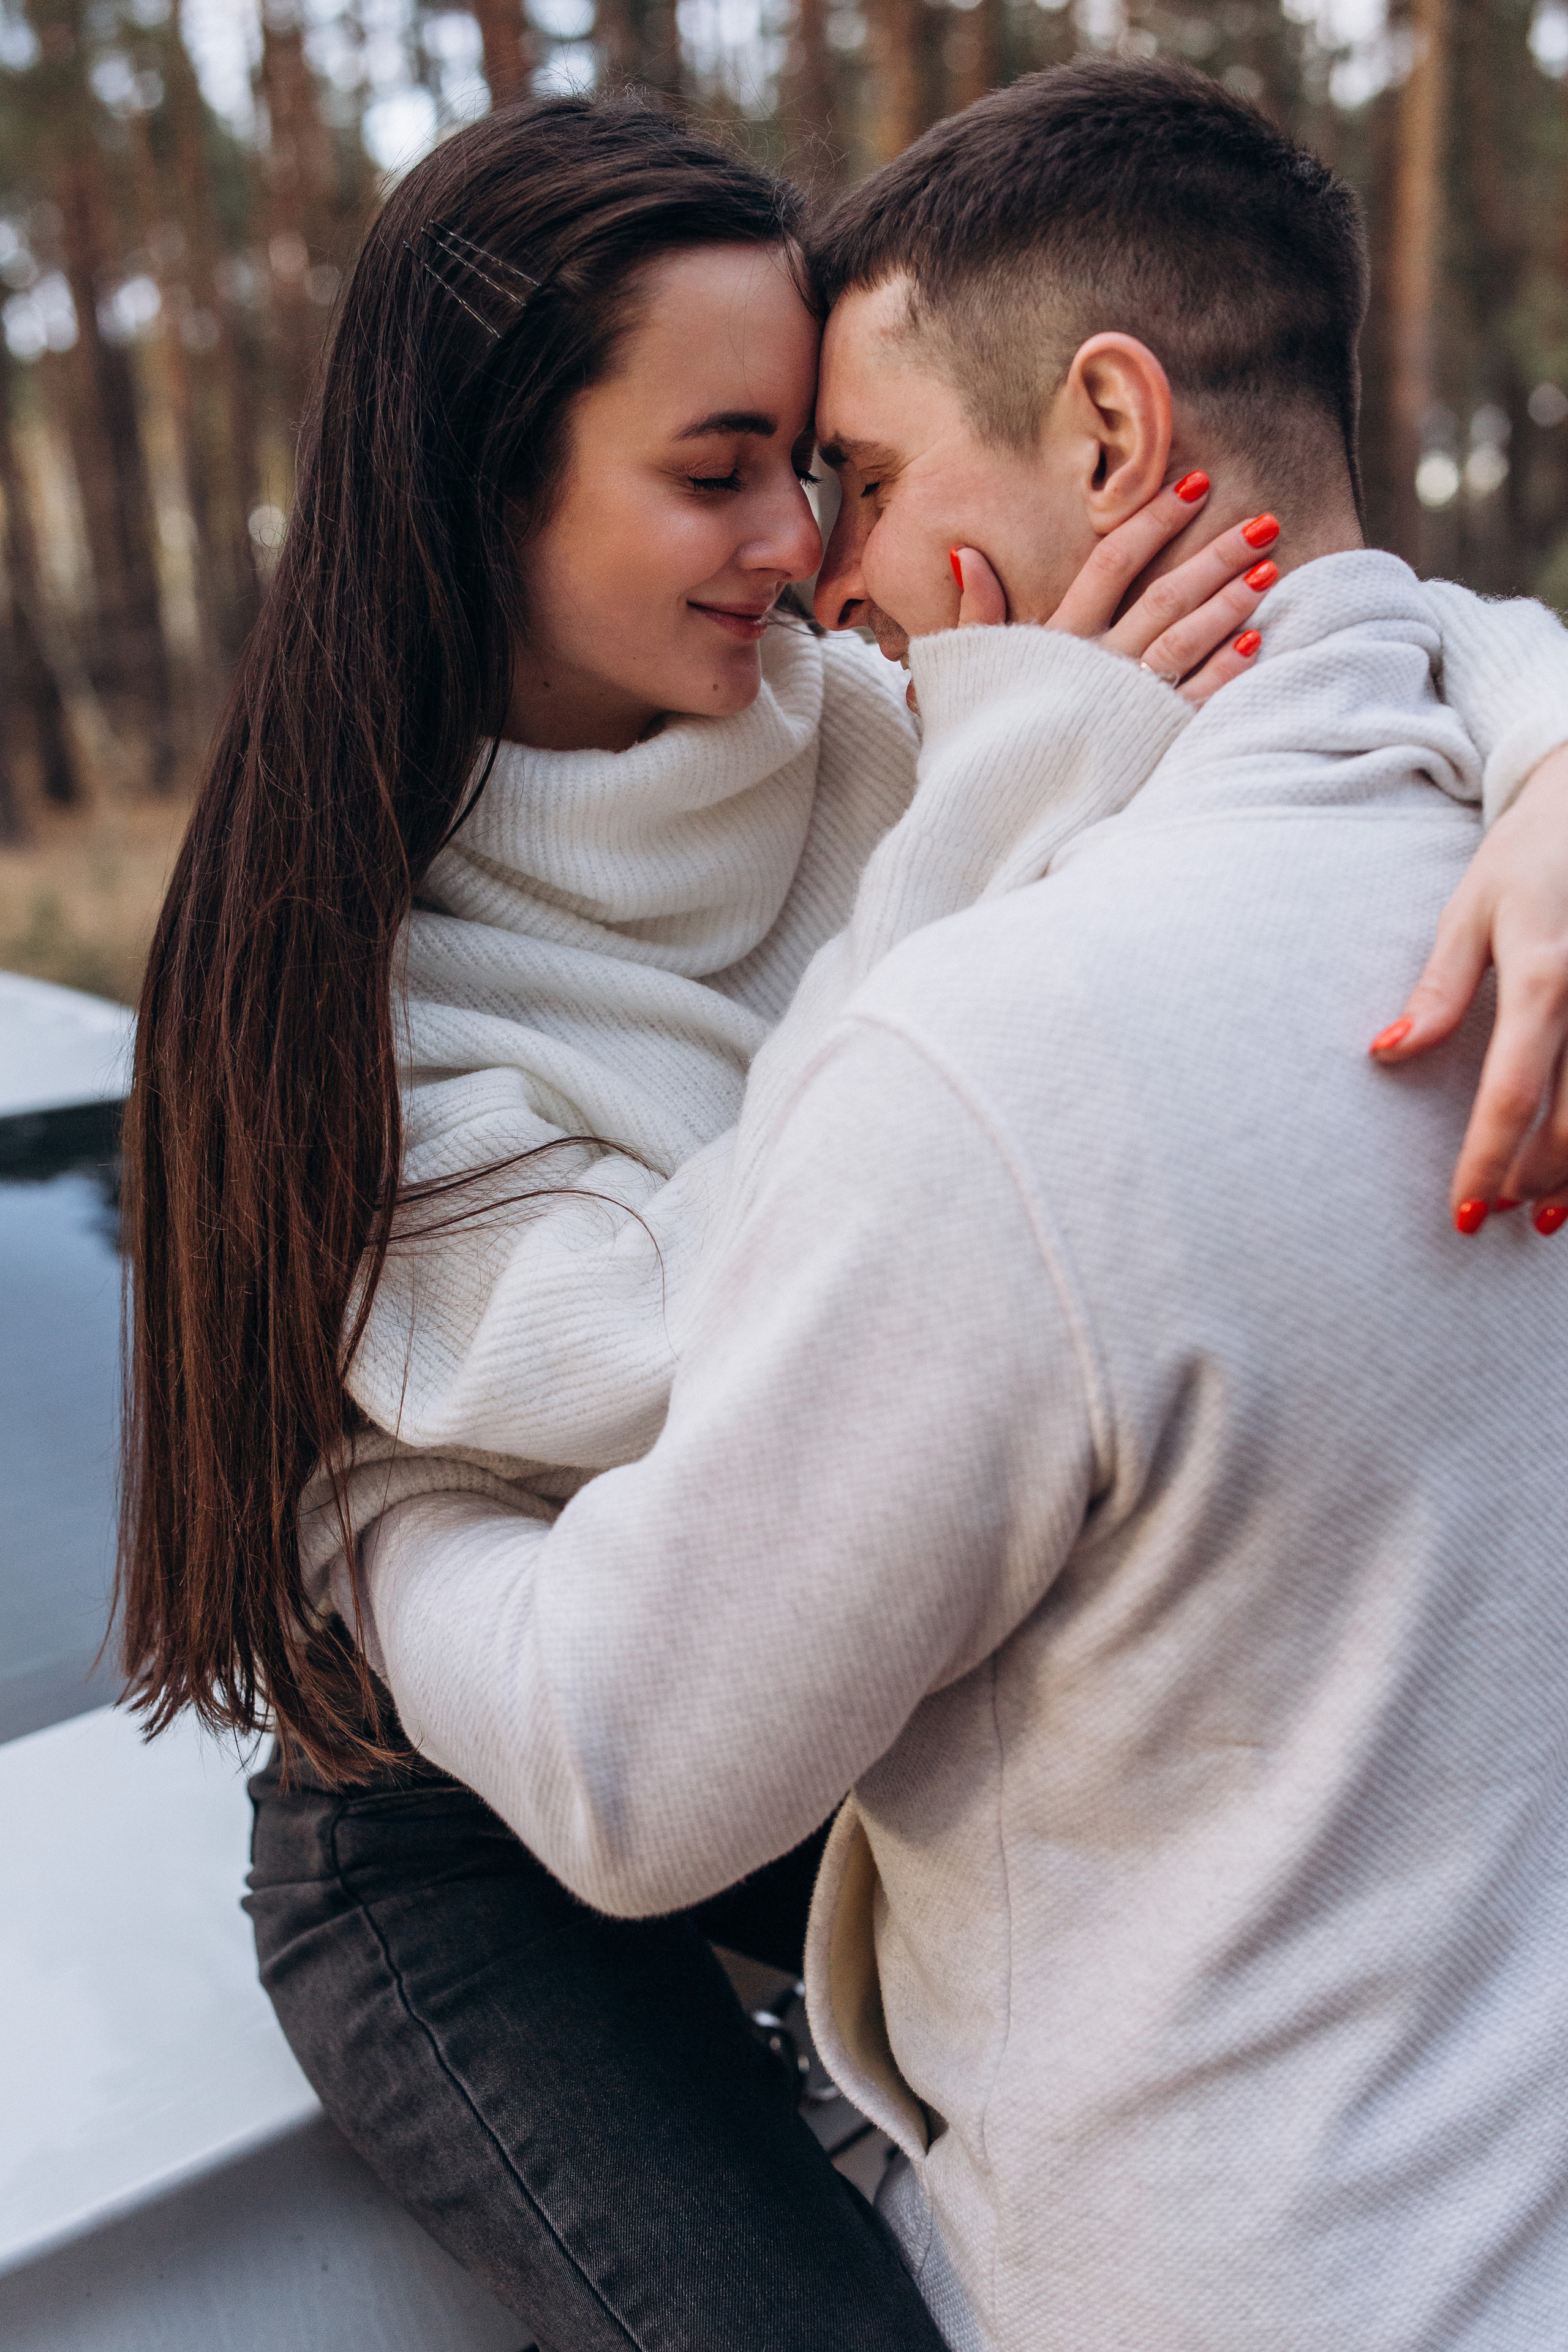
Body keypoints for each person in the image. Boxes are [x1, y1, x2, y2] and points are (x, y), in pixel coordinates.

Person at [118, 88, 1568, 2352]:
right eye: (720, 471)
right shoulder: (345, 993)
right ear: (486, 487)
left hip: (823, 1610)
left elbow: (1384, 614)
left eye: (824, 463)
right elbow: (742, 1322)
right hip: (468, 1776)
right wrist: (1024, 761)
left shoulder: (878, 704)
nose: (803, 543)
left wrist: (1557, 750)